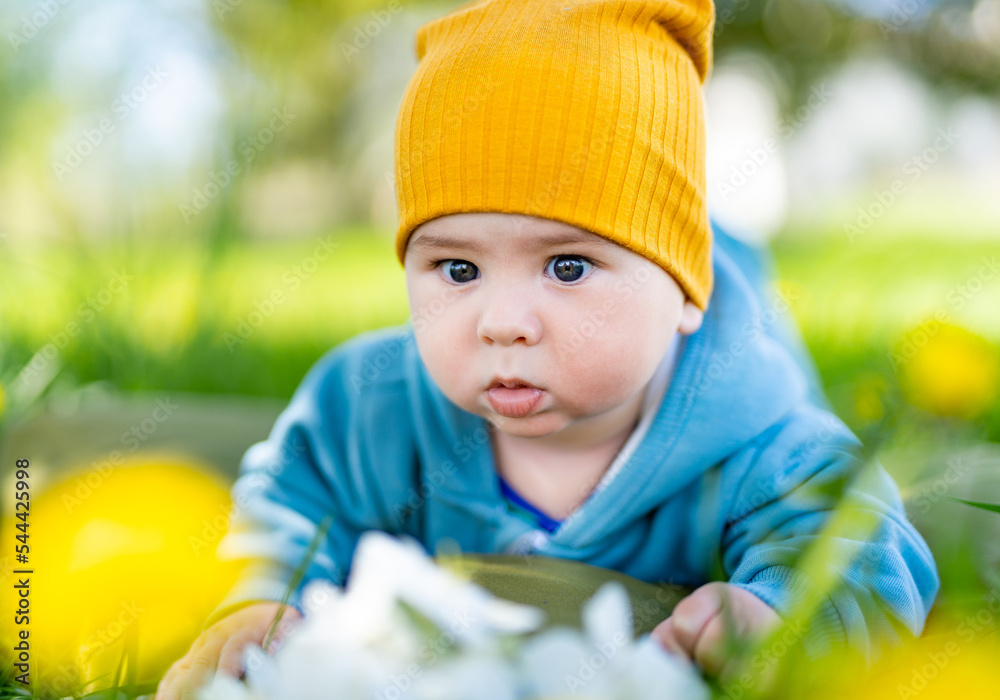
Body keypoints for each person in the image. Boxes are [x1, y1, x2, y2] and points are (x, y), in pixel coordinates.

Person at [155, 0, 939, 697]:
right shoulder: (369, 406)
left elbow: (865, 549)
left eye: (568, 267)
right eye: (456, 268)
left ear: (684, 293)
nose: (503, 321)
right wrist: (263, 596)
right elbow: (293, 500)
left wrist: (779, 613)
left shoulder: (760, 441)